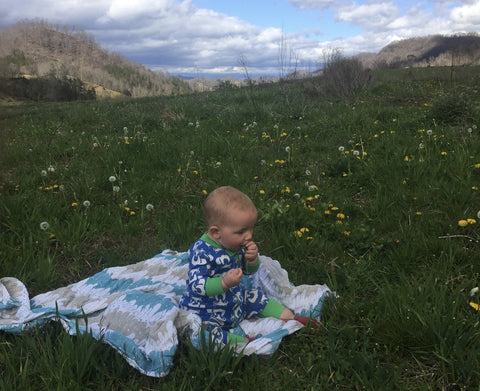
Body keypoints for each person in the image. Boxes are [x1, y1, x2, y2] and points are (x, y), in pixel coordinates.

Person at [179, 186, 321, 344]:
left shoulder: (233, 245)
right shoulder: (201, 252)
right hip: (208, 311)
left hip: (236, 302)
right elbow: (197, 285)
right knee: (202, 332)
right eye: (241, 232)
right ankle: (243, 342)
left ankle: (292, 318)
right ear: (216, 233)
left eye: (251, 229)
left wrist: (251, 260)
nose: (249, 236)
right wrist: (224, 282)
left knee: (255, 296)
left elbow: (248, 271)